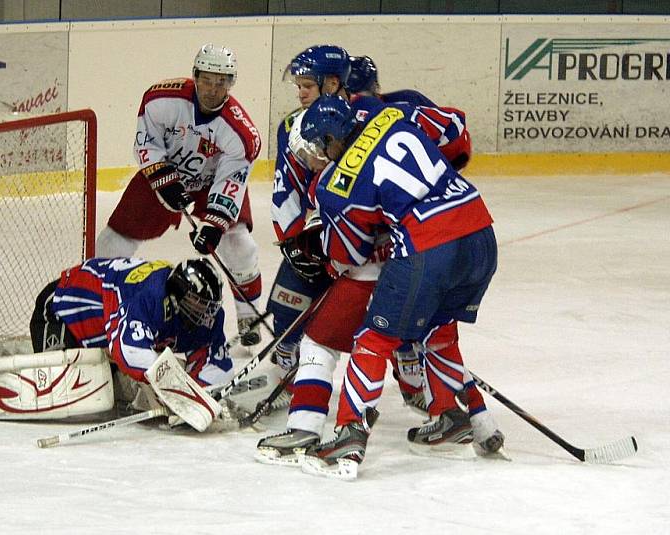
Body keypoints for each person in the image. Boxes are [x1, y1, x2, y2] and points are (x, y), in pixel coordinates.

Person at [256, 95, 499, 465]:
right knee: (438, 331)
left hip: (424, 251)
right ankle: (460, 416)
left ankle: (344, 434)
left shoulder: (336, 184)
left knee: (366, 341)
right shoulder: (391, 115)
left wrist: (324, 251)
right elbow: (454, 131)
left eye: (314, 149)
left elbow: (348, 255)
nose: (312, 159)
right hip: (479, 231)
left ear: (328, 140)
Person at [95, 44, 264, 347]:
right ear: (195, 76)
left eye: (222, 81)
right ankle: (98, 301)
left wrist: (213, 226)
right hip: (163, 173)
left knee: (239, 245)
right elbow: (147, 141)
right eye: (207, 79)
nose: (213, 89)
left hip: (211, 182)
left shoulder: (241, 133)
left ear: (231, 83)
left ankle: (247, 314)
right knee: (111, 242)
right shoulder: (162, 99)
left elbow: (230, 181)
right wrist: (164, 178)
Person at [263, 44, 352, 406]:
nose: (300, 93)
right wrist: (296, 238)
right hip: (310, 235)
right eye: (297, 85)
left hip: (353, 237)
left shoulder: (358, 117)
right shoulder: (291, 126)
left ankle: (415, 383)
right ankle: (288, 371)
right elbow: (287, 189)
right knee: (286, 309)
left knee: (383, 323)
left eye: (308, 86)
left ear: (332, 83)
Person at [30, 256, 234, 395]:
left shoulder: (206, 317)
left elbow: (216, 365)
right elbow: (128, 350)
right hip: (60, 306)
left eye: (209, 307)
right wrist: (175, 388)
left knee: (108, 390)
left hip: (106, 329)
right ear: (177, 296)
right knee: (58, 387)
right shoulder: (151, 296)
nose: (205, 314)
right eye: (196, 304)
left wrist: (202, 391)